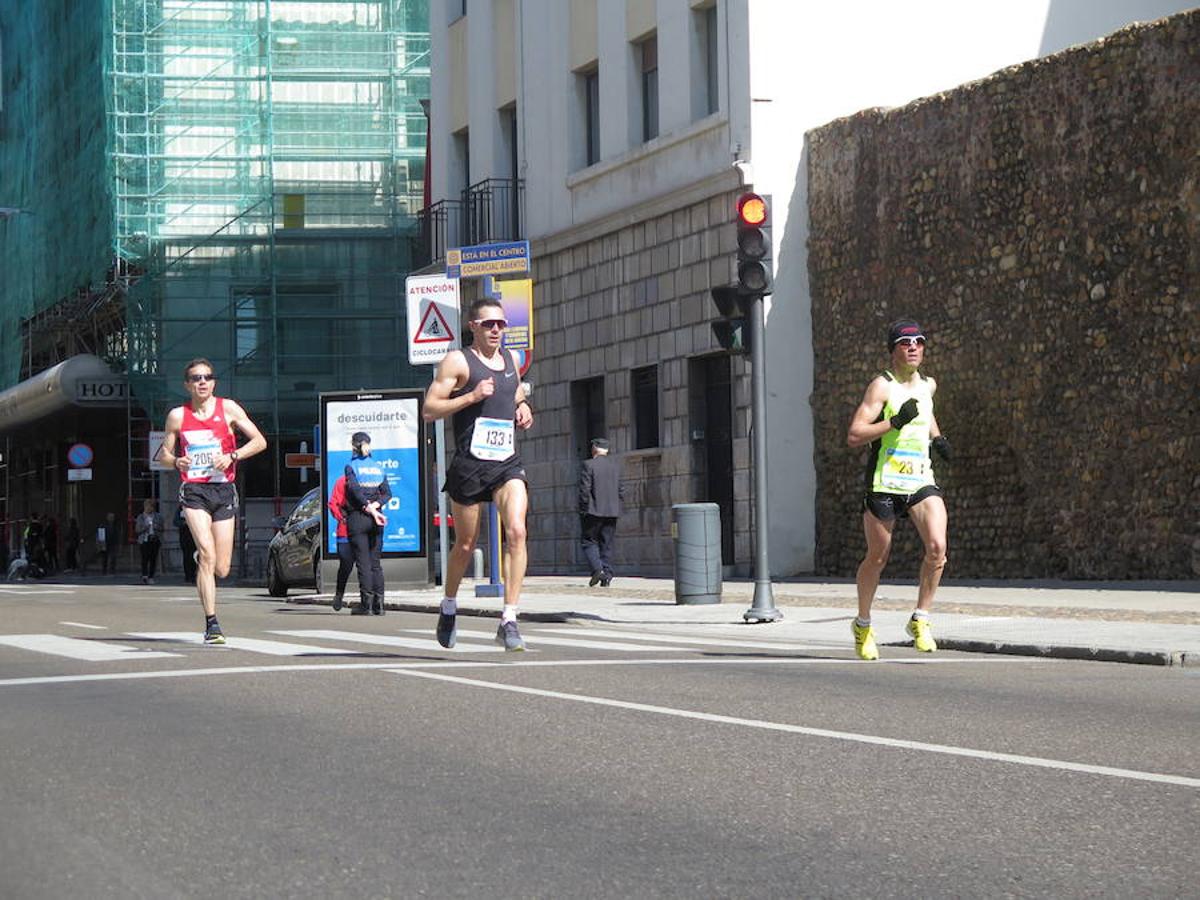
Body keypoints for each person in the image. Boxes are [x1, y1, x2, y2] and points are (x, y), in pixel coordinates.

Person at [423, 298, 534, 651]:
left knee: (516, 530)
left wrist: (521, 405)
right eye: (489, 324)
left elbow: (513, 388)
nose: (497, 330)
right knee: (466, 546)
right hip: (469, 465)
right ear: (474, 327)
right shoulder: (458, 361)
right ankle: (449, 605)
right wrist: (470, 396)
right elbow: (430, 409)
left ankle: (510, 619)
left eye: (501, 324)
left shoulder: (512, 360)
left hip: (506, 462)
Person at [846, 319, 951, 661]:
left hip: (920, 479)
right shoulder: (881, 387)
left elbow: (925, 410)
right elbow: (855, 434)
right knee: (878, 556)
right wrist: (894, 422)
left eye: (919, 342)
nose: (913, 347)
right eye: (905, 343)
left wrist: (938, 438)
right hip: (884, 481)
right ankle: (863, 624)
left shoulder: (928, 385)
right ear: (893, 350)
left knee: (937, 547)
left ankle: (920, 619)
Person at [160, 358, 267, 644]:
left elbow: (259, 441)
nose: (202, 382)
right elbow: (163, 456)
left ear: (214, 382)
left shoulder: (228, 408)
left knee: (222, 568)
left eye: (207, 377)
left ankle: (203, 558)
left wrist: (232, 456)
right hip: (194, 490)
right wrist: (177, 460)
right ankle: (212, 623)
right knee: (208, 555)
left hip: (223, 490)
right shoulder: (177, 416)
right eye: (196, 378)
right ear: (188, 385)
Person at [343, 432, 390, 616]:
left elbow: (354, 490)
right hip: (377, 518)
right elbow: (387, 493)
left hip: (358, 517)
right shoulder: (379, 467)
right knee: (375, 563)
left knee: (363, 562)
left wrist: (367, 507)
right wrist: (376, 508)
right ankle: (380, 604)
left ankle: (366, 604)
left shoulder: (351, 466)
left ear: (354, 446)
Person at [578, 437, 623, 587]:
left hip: (593, 510)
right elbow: (621, 490)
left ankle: (597, 570)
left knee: (588, 541)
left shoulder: (588, 465)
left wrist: (583, 508)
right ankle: (607, 574)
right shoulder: (615, 466)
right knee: (607, 543)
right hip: (612, 511)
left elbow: (585, 490)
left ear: (594, 449)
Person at [326, 475, 359, 613]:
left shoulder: (370, 479)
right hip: (345, 530)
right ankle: (339, 594)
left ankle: (369, 600)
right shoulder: (342, 481)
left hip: (363, 528)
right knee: (346, 564)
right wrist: (342, 518)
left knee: (366, 565)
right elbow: (333, 503)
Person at [136, 499, 164, 584]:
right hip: (144, 539)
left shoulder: (158, 516)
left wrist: (155, 526)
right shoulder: (140, 517)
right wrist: (145, 527)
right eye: (147, 506)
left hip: (154, 539)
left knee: (153, 559)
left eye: (150, 506)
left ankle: (151, 576)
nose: (148, 508)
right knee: (144, 558)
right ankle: (144, 575)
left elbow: (162, 528)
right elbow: (137, 530)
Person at [176, 506, 197, 584]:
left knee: (194, 556)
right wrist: (184, 523)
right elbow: (175, 522)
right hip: (184, 535)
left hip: (194, 535)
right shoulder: (180, 509)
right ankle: (188, 575)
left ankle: (193, 575)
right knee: (186, 556)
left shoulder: (195, 508)